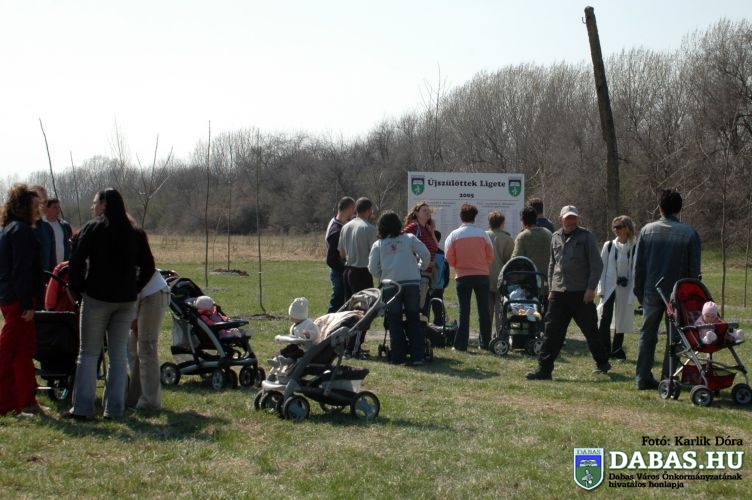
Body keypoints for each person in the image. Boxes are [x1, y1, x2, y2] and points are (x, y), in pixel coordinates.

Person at [66, 188, 155, 420]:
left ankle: (83, 408)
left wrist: (79, 287)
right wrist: (135, 288)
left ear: (104, 204)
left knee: (88, 353)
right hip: (125, 301)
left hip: (96, 298)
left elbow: (76, 259)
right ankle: (114, 409)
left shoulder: (93, 228)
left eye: (96, 202)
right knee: (117, 356)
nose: (93, 207)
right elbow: (149, 267)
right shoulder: (135, 233)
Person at [526, 205, 611, 380]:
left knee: (591, 331)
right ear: (561, 219)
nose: (571, 221)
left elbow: (597, 265)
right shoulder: (555, 237)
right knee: (551, 332)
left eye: (573, 218)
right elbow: (552, 264)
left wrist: (591, 288)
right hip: (558, 292)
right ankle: (544, 370)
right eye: (567, 218)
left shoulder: (586, 237)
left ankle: (602, 363)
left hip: (581, 293)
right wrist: (551, 288)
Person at [633, 189, 701, 390]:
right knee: (676, 337)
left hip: (651, 290)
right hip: (678, 294)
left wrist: (639, 292)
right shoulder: (690, 234)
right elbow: (693, 269)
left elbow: (639, 266)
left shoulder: (646, 231)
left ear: (660, 208)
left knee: (647, 335)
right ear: (679, 209)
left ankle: (642, 377)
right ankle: (669, 377)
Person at [0, 184, 43, 417]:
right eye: (35, 206)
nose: (38, 211)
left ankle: (26, 401)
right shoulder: (21, 231)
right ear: (24, 207)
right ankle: (6, 404)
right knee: (8, 353)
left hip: (12, 297)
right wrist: (27, 303)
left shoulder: (10, 229)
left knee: (24, 352)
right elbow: (21, 270)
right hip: (18, 300)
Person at [368, 210, 430, 365]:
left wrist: (383, 274)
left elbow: (372, 268)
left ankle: (398, 357)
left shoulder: (379, 244)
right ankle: (417, 356)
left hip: (391, 285)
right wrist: (420, 268)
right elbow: (426, 254)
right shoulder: (409, 238)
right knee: (413, 318)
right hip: (412, 283)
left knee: (394, 320)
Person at [444, 204, 494, 351]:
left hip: (463, 276)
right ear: (475, 217)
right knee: (484, 310)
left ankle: (461, 344)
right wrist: (482, 264)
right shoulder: (483, 234)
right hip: (482, 275)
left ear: (461, 217)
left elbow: (448, 257)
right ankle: (485, 342)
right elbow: (490, 255)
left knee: (464, 311)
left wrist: (458, 265)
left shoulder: (454, 235)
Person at [126, 263, 170, 411]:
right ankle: (134, 398)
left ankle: (150, 402)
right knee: (134, 348)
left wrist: (134, 317)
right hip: (141, 296)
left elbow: (133, 281)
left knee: (147, 348)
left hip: (152, 293)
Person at [596, 215, 637, 360]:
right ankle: (605, 349)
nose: (616, 230)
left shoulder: (634, 247)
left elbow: (635, 270)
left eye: (619, 227)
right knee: (605, 318)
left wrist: (633, 291)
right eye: (614, 227)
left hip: (625, 288)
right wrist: (601, 288)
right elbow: (601, 268)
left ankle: (617, 349)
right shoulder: (609, 246)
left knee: (621, 318)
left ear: (627, 228)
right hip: (609, 287)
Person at [269, 297, 321, 378]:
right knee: (287, 349)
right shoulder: (295, 325)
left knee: (296, 353)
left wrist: (308, 334)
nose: (290, 317)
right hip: (297, 345)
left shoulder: (309, 324)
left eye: (291, 316)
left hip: (307, 349)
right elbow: (293, 335)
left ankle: (287, 361)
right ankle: (277, 359)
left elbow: (316, 333)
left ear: (298, 316)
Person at [402, 201, 439, 315]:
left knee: (424, 305)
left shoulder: (426, 229)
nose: (428, 213)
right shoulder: (414, 227)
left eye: (428, 211)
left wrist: (432, 230)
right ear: (416, 213)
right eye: (424, 210)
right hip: (419, 272)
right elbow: (401, 240)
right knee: (419, 305)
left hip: (428, 273)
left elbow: (436, 247)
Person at [338, 197, 377, 300]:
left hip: (348, 272)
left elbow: (341, 254)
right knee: (364, 306)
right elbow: (375, 254)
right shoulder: (369, 229)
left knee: (350, 306)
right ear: (369, 210)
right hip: (362, 273)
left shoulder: (345, 227)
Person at [325, 196, 355, 313]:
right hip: (339, 273)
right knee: (337, 304)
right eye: (353, 209)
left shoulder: (335, 222)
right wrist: (344, 271)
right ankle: (327, 323)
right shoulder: (336, 230)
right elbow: (330, 259)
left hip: (339, 272)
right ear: (350, 208)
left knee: (342, 304)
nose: (354, 213)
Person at [486, 211, 514, 335]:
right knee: (500, 311)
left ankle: (485, 336)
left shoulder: (483, 236)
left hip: (485, 277)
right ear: (502, 223)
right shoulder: (507, 239)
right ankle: (500, 335)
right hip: (501, 279)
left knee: (486, 311)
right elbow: (510, 260)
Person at [511, 206, 553, 282]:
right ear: (536, 218)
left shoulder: (522, 236)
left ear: (522, 220)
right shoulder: (548, 233)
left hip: (531, 281)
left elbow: (515, 259)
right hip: (548, 279)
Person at [45, 198, 73, 265]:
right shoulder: (41, 226)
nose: (58, 210)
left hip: (62, 266)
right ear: (46, 209)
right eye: (54, 208)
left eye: (59, 207)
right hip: (47, 267)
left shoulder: (65, 226)